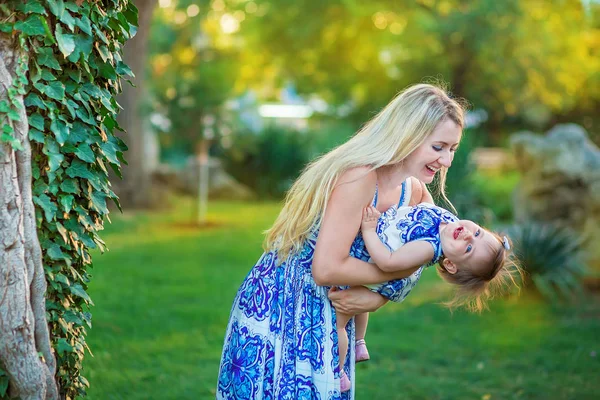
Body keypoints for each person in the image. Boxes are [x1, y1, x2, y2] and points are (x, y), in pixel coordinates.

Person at [217, 83, 466, 399]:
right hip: (284, 304)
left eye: (453, 149)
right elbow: (327, 268)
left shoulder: (413, 192)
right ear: (409, 136)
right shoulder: (361, 177)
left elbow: (423, 256)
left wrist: (380, 298)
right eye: (438, 147)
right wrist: (387, 277)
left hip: (333, 311)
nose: (446, 160)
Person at [334, 203, 521, 391]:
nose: (469, 235)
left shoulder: (429, 247)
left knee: (340, 322)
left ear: (450, 265)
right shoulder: (450, 222)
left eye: (469, 248)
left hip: (372, 259)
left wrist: (368, 230)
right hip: (375, 252)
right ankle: (360, 342)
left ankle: (340, 372)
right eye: (478, 233)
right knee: (358, 301)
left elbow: (387, 262)